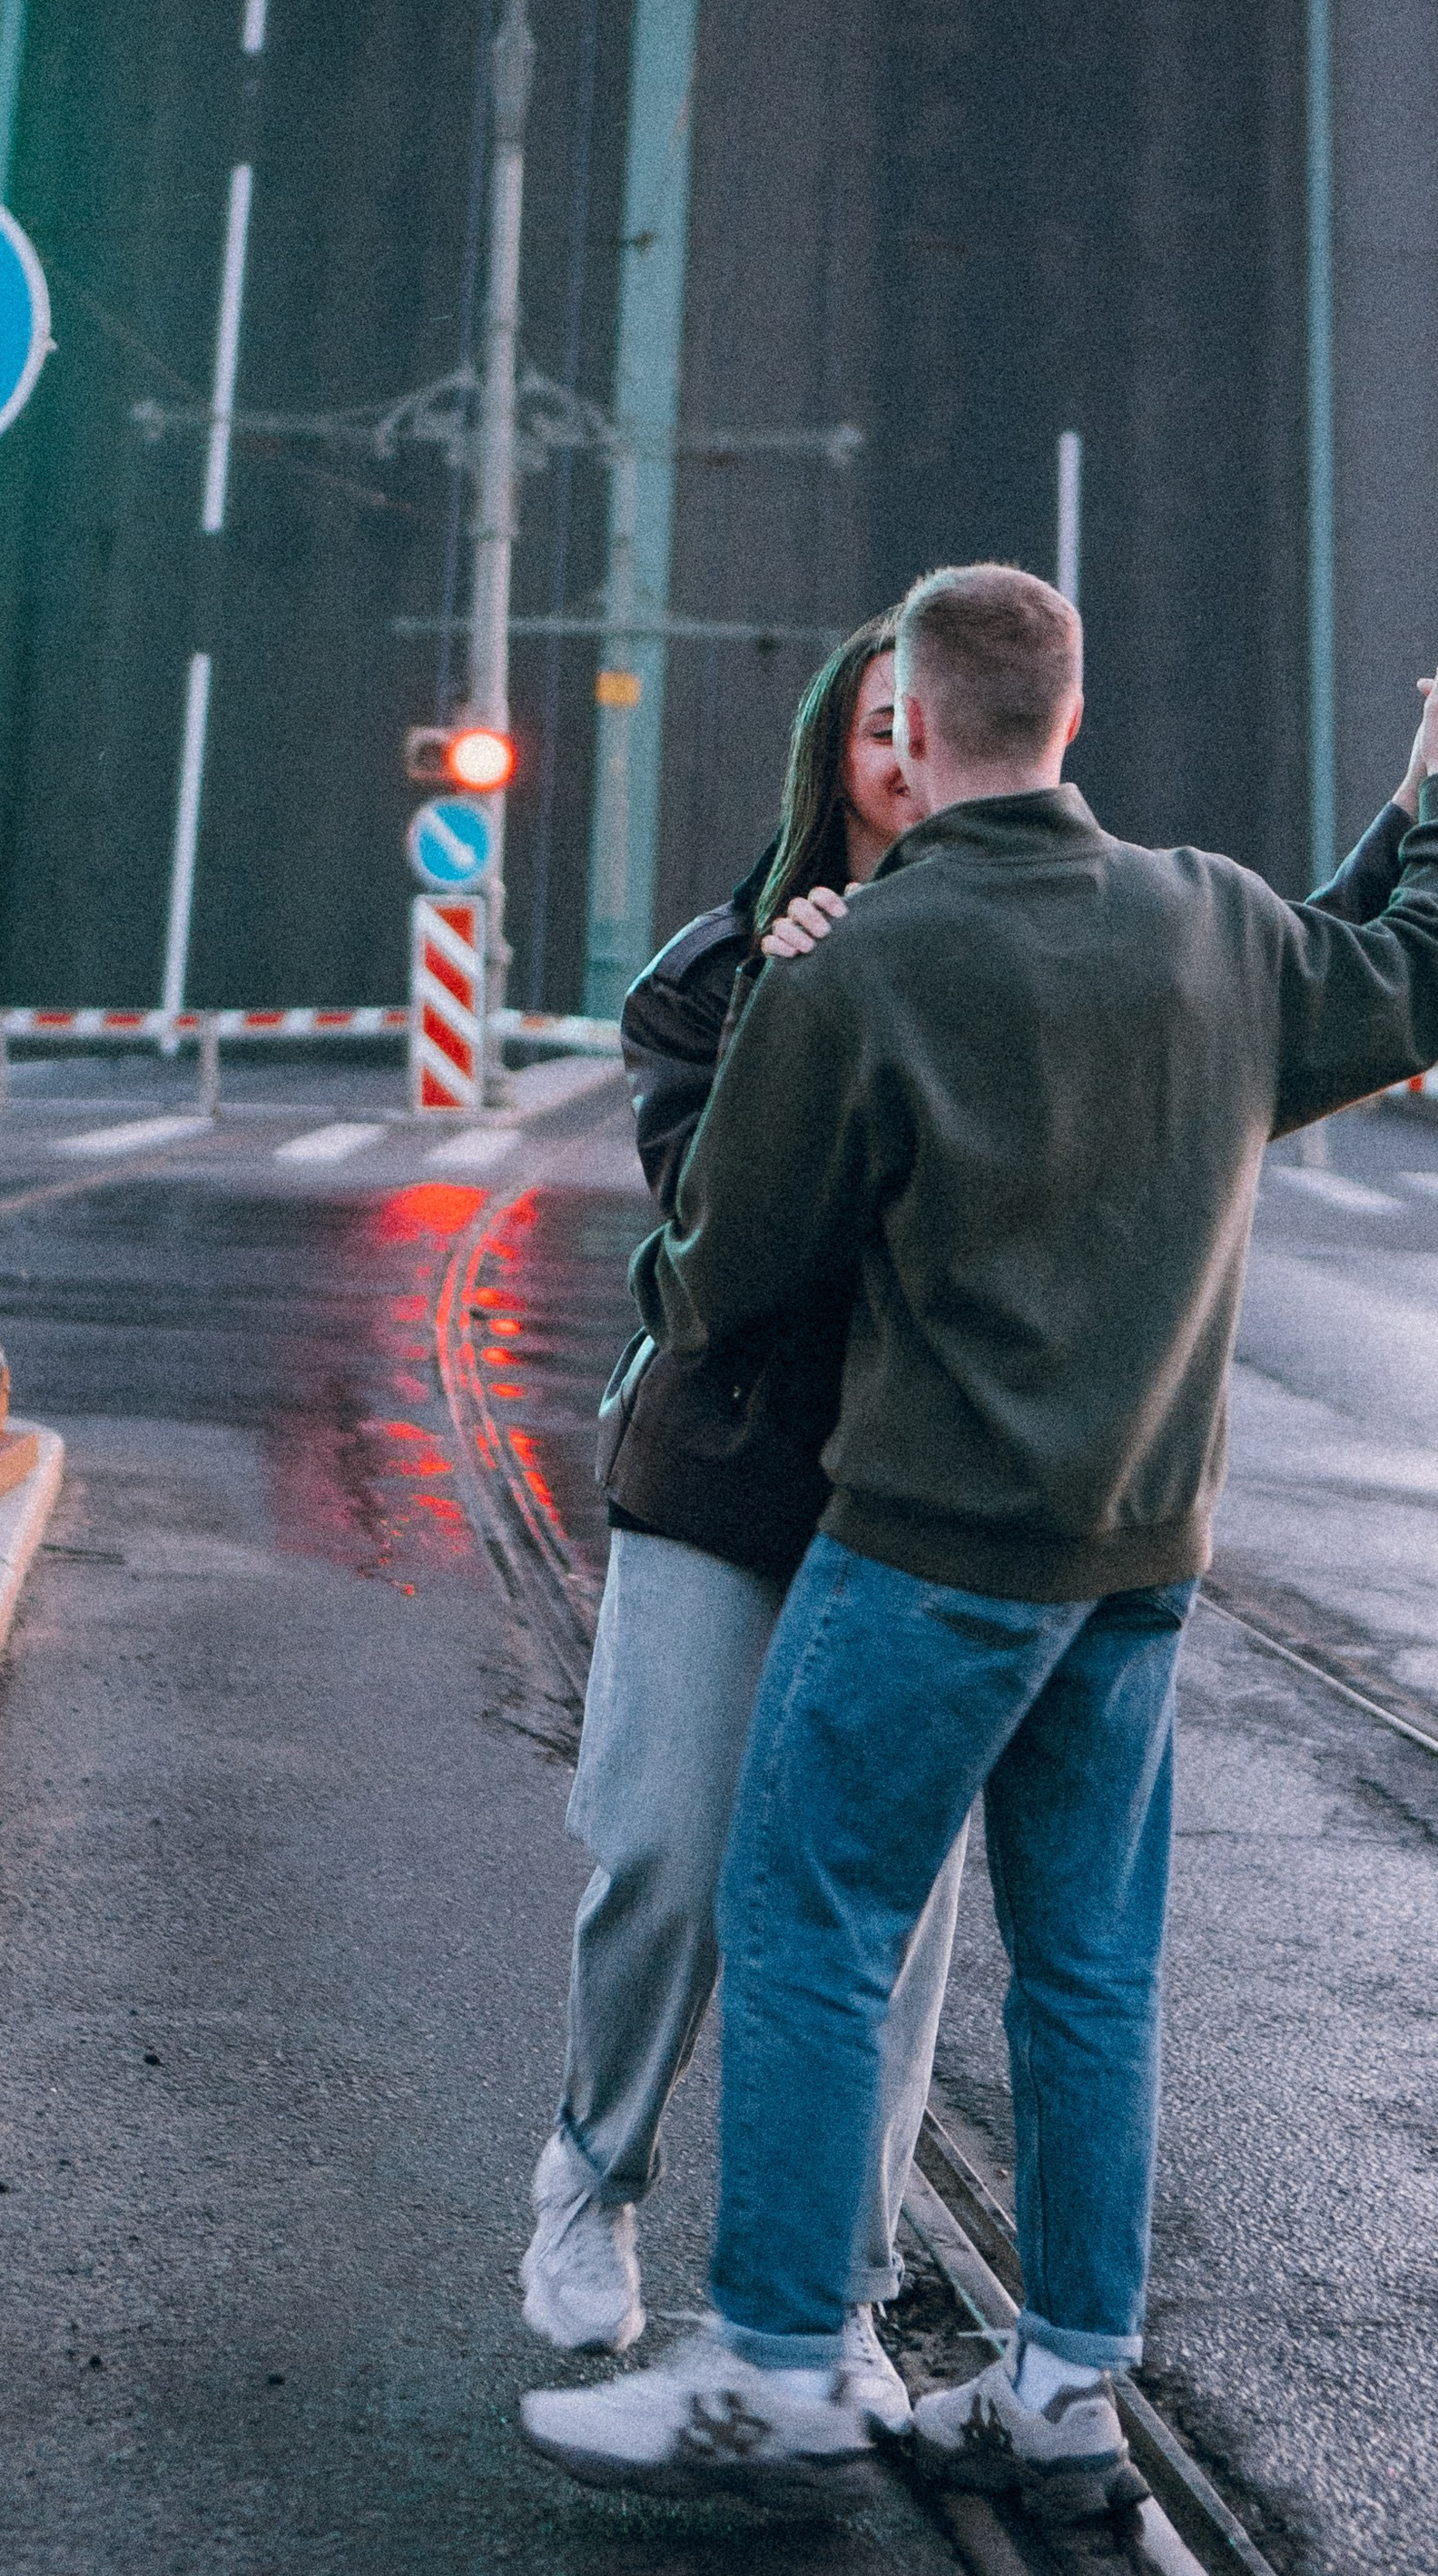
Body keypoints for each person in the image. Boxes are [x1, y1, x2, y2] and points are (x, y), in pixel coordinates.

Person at [522, 567, 1438, 2518]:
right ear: (1071, 717)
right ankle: (1065, 2387)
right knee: (1086, 1972)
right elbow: (1414, 971)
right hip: (1134, 1562)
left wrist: (789, 1054)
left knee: (811, 1922)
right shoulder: (1211, 918)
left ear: (913, 715)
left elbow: (715, 1274)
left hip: (929, 1549)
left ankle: (778, 2364)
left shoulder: (859, 968)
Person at [519, 616, 960, 2436]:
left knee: (889, 1917)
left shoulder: (1019, 977)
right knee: (669, 1859)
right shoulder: (707, 981)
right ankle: (589, 2171)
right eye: (878, 730)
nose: (909, 760)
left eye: (936, 729)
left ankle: (838, 2291)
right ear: (828, 757)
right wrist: (796, 1019)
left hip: (923, 1499)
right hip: (726, 1470)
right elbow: (713, 1250)